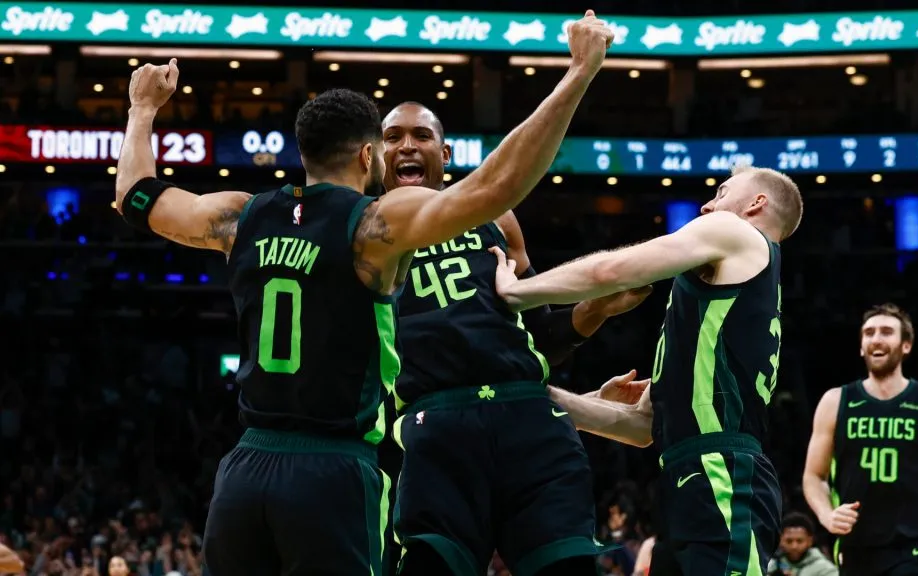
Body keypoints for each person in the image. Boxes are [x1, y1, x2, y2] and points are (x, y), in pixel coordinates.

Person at [112, 11, 613, 575]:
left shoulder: (239, 216)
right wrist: (578, 73)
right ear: (368, 155)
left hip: (245, 470)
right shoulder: (372, 227)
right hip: (333, 470)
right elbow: (498, 185)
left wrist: (142, 109)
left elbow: (135, 195)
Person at [491, 164, 805, 574]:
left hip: (723, 474)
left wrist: (517, 292)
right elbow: (643, 428)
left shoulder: (737, 232)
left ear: (756, 203)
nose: (707, 205)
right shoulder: (721, 309)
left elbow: (609, 272)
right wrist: (545, 397)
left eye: (722, 192)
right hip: (686, 478)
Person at [381, 100, 650, 576]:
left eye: (421, 136)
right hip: (433, 420)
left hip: (527, 414)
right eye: (393, 136)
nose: (407, 146)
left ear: (445, 154)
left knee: (566, 565)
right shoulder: (366, 230)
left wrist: (596, 308)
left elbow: (539, 336)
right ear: (373, 156)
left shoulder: (497, 218)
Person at [802, 303, 918, 576]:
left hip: (913, 548)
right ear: (861, 347)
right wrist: (826, 515)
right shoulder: (835, 401)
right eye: (869, 333)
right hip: (854, 547)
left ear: (906, 345)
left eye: (886, 332)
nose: (876, 338)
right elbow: (814, 476)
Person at [767, 513, 838, 576]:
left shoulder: (825, 569)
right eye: (789, 541)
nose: (794, 546)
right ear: (780, 540)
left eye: (799, 541)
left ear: (810, 541)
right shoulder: (769, 566)